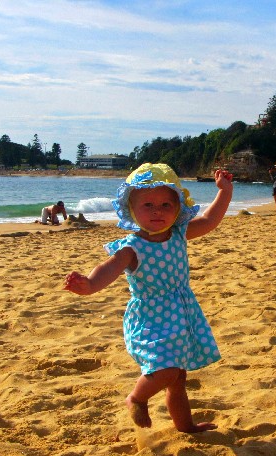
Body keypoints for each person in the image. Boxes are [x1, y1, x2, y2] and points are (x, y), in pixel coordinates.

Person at [63, 163, 233, 433]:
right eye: (148, 205)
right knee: (165, 369)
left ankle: (185, 425)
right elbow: (109, 268)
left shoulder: (179, 233)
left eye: (166, 205)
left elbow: (211, 220)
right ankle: (136, 397)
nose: (157, 211)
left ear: (178, 207)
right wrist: (90, 284)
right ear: (132, 209)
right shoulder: (132, 247)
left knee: (178, 377)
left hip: (181, 313)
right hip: (152, 318)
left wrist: (224, 191)